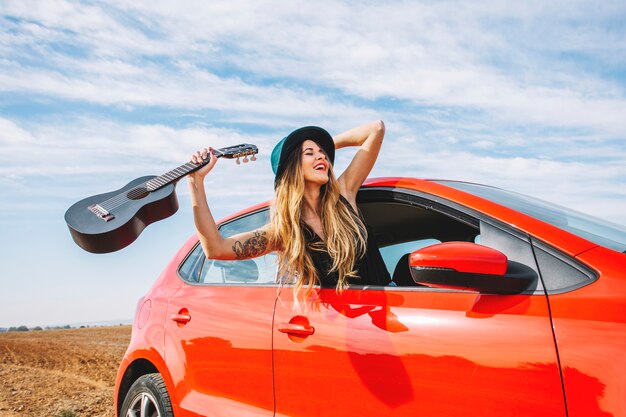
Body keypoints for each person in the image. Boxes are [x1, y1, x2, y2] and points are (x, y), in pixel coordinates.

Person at [188, 120, 391, 296]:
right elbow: (216, 248)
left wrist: (326, 146)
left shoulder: (344, 195)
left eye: (323, 154)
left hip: (392, 313)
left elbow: (376, 129)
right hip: (346, 331)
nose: (321, 157)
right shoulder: (284, 233)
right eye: (309, 153)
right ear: (292, 166)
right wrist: (196, 182)